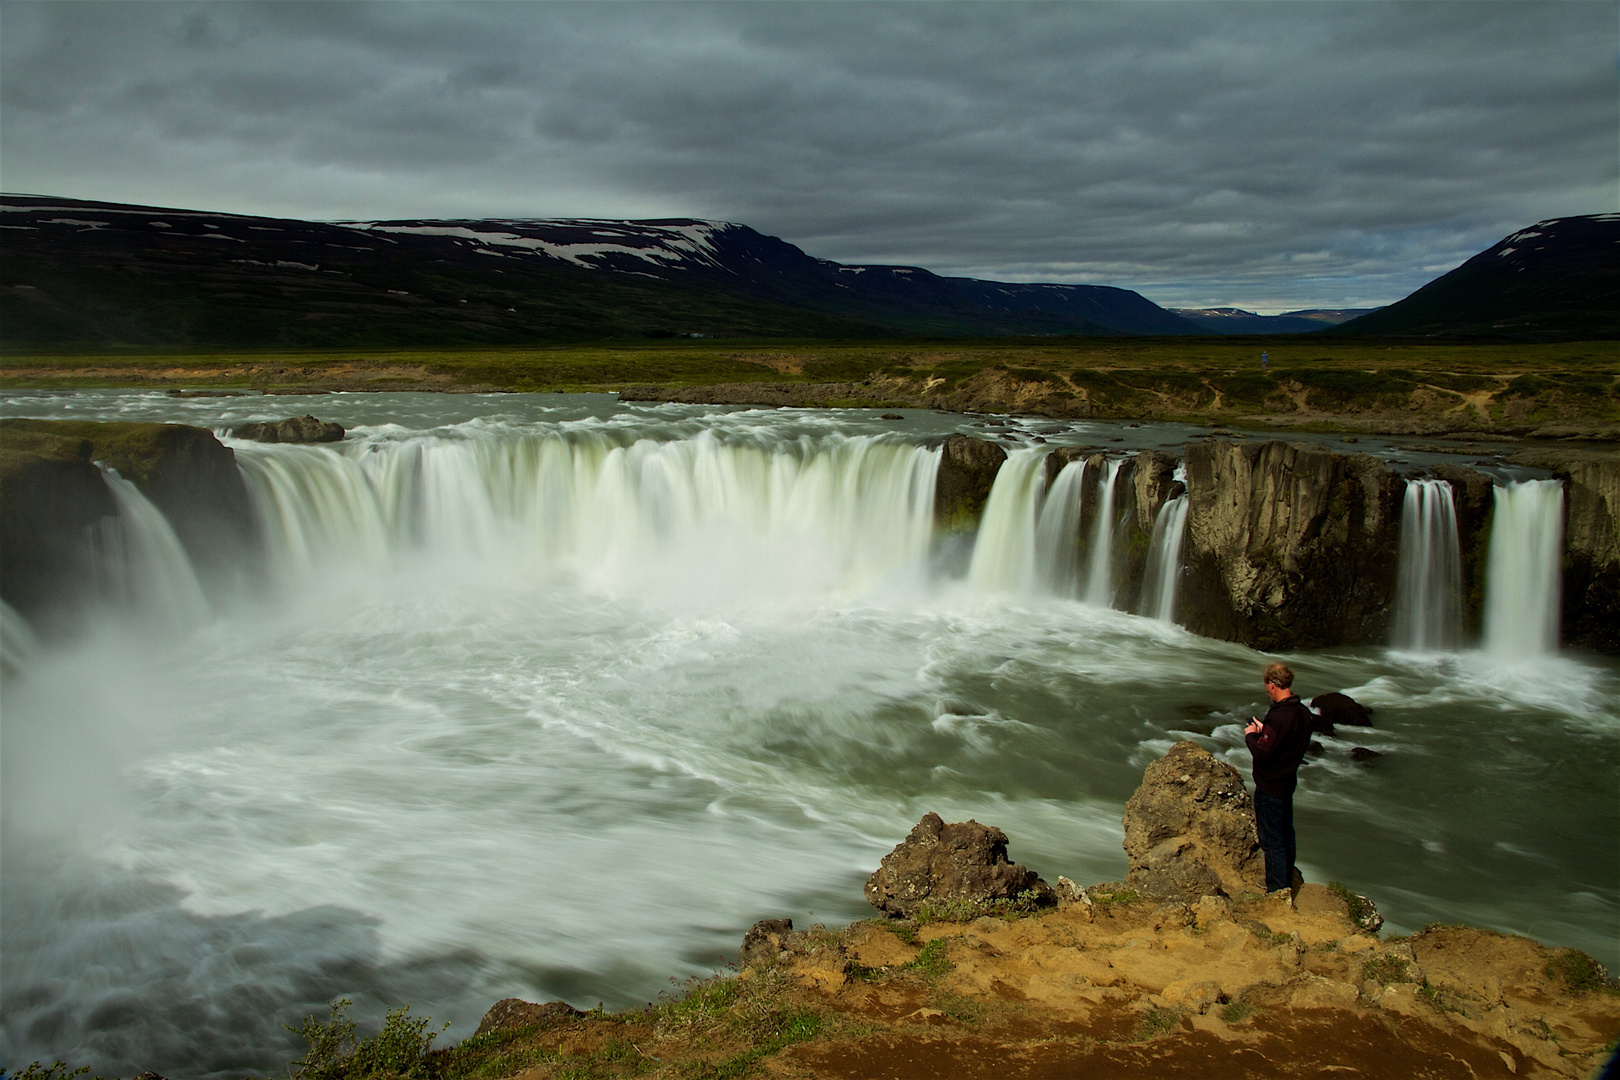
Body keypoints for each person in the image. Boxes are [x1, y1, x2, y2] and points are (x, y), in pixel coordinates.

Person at [1244, 661, 1313, 894]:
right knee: (1286, 834)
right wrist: (1267, 734)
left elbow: (1262, 753)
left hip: (1270, 787)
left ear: (1273, 684)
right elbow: (1287, 741)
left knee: (1271, 840)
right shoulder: (1302, 713)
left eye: (1266, 685)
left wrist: (1252, 736)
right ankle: (1286, 881)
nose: (1265, 689)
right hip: (1287, 782)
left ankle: (1277, 889)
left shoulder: (1280, 715)